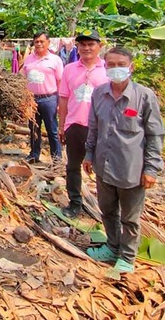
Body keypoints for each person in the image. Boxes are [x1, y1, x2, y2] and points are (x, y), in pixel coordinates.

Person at [83, 47, 165, 274]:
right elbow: (94, 127)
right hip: (103, 165)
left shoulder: (144, 96)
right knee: (107, 210)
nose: (116, 69)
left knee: (130, 217)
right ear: (105, 67)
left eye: (121, 64)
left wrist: (151, 168)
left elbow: (155, 134)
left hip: (131, 169)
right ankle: (112, 246)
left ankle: (127, 257)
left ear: (131, 67)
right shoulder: (99, 93)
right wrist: (89, 154)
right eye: (111, 65)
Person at [58, 29, 109, 218]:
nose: (86, 48)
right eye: (83, 44)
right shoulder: (69, 69)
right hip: (75, 126)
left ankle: (107, 209)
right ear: (77, 47)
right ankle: (75, 203)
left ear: (99, 46)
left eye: (91, 44)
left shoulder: (107, 70)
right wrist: (62, 126)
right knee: (73, 166)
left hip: (101, 129)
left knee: (102, 170)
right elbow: (63, 99)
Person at [19, 31, 63, 163]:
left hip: (49, 99)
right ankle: (34, 155)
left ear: (48, 43)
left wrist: (60, 102)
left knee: (52, 130)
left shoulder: (55, 60)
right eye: (36, 41)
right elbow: (22, 77)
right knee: (33, 129)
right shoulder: (29, 59)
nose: (39, 44)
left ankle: (57, 159)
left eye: (42, 41)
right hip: (32, 100)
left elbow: (61, 81)